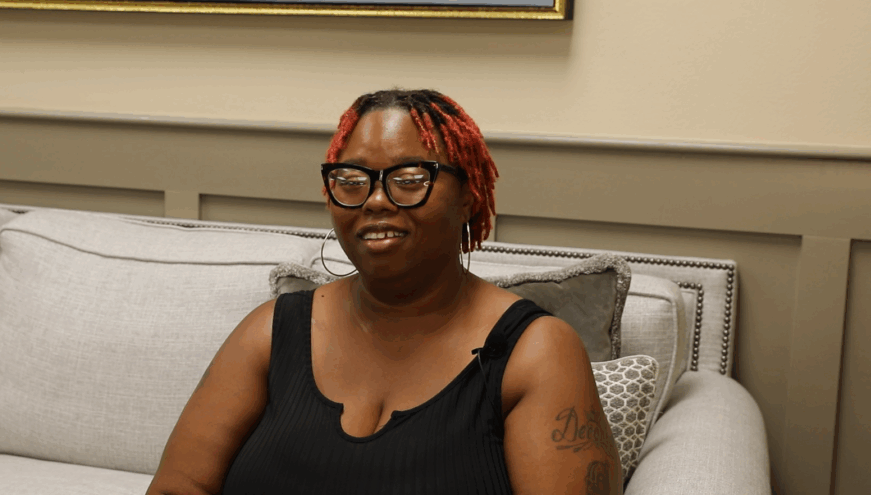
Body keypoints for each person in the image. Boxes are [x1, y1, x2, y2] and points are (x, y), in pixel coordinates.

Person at [146, 89, 622, 495]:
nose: (375, 200)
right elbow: (178, 488)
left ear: (468, 197)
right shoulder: (272, 332)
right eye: (351, 182)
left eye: (410, 180)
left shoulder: (536, 352)